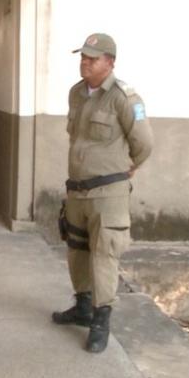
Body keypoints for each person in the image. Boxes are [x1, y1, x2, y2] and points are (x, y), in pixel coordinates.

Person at [52, 33, 154, 353]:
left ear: (109, 62)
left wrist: (128, 168)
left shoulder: (125, 99)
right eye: (83, 56)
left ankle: (101, 320)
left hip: (108, 193)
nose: (85, 62)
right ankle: (82, 306)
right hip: (78, 192)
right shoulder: (76, 93)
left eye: (92, 58)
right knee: (77, 251)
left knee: (104, 255)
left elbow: (144, 145)